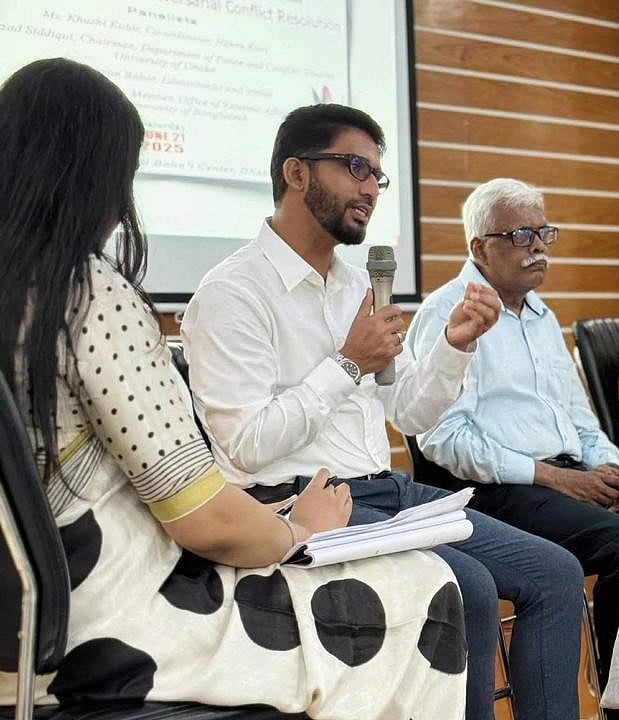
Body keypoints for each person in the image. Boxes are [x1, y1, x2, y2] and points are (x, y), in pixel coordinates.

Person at [0, 59, 468, 718]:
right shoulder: (94, 295)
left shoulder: (26, 291)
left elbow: (408, 406)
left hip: (30, 616)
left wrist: (447, 350)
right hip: (119, 619)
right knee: (429, 588)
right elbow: (209, 520)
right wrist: (296, 529)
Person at [180, 105, 585, 720]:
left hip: (387, 493)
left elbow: (411, 413)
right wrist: (346, 364)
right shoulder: (231, 293)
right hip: (299, 503)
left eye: (376, 175)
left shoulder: (355, 287)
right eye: (353, 167)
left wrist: (455, 347)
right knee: (469, 589)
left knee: (556, 574)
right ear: (295, 172)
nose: (370, 187)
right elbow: (245, 446)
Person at [406, 178, 619, 718]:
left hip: (570, 477)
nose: (538, 245)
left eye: (544, 232)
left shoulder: (541, 315)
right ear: (479, 248)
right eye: (521, 234)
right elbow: (444, 440)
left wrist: (607, 468)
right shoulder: (447, 312)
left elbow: (579, 416)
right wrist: (555, 478)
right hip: (498, 490)